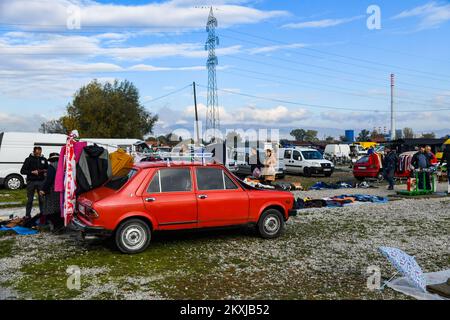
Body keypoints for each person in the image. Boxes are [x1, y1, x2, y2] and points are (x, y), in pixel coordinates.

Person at [20, 146, 48, 218]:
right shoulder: (28, 159)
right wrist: (32, 172)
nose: (38, 154)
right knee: (30, 200)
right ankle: (27, 215)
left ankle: (43, 214)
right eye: (37, 152)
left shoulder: (44, 159)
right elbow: (22, 171)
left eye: (39, 152)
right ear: (34, 152)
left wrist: (45, 172)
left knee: (42, 200)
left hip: (41, 182)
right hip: (31, 182)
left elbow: (47, 169)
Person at [39, 153, 64, 231]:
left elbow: (49, 180)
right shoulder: (62, 166)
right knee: (59, 209)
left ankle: (57, 228)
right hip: (61, 190)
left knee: (52, 210)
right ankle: (61, 225)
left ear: (51, 160)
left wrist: (43, 190)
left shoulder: (51, 167)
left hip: (52, 190)